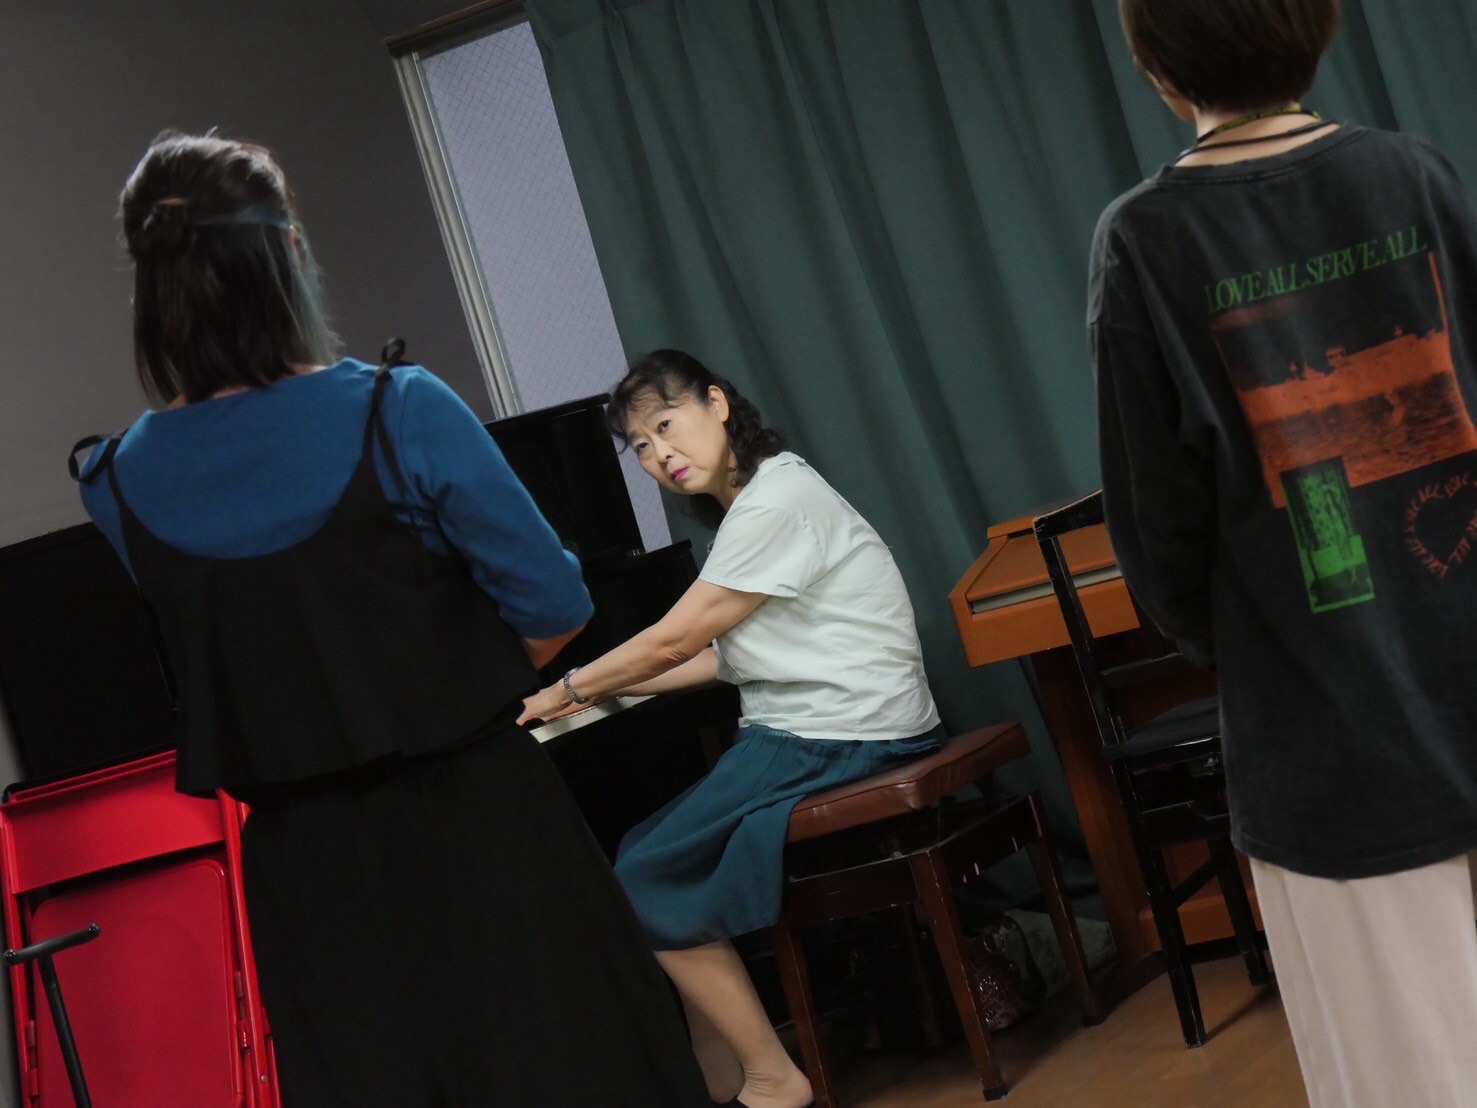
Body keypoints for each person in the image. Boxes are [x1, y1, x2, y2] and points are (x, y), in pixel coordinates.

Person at [71, 132, 709, 1106]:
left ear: (148, 285)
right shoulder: (399, 410)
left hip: (307, 874)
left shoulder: (114, 481)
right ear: (286, 253)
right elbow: (553, 604)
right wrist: (445, 685)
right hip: (485, 826)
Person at [1094, 2, 1477, 1103]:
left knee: (1409, 1078)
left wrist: (1261, 641)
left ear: (1154, 64)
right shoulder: (1415, 175)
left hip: (1327, 737)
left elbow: (1158, 535)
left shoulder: (1144, 241)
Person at [518, 349, 945, 1108]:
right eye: (641, 446)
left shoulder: (774, 502)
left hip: (843, 731)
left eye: (666, 424)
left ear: (716, 403)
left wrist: (570, 686)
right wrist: (603, 692)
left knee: (641, 874)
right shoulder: (760, 500)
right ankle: (716, 1077)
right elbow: (723, 657)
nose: (659, 454)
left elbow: (677, 639)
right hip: (828, 723)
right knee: (644, 848)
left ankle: (772, 1078)